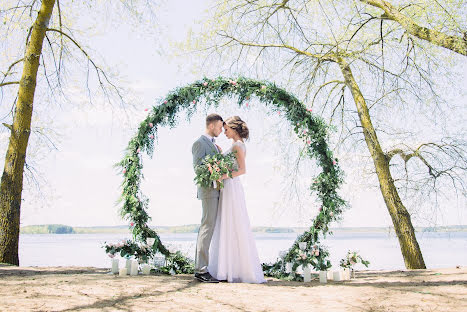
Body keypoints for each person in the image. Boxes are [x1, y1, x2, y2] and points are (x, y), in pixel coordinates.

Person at [208, 116, 266, 283]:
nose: (224, 132)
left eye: (226, 129)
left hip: (232, 186)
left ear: (233, 128)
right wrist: (220, 154)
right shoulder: (235, 146)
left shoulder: (238, 146)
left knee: (234, 223)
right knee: (227, 223)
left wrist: (222, 175)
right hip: (229, 186)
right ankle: (227, 268)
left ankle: (233, 269)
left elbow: (242, 170)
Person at [191, 113, 224, 283]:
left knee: (210, 228)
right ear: (211, 126)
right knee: (206, 227)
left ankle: (206, 267)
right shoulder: (199, 143)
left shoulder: (214, 145)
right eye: (219, 127)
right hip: (208, 191)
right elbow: (198, 169)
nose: (221, 130)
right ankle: (201, 270)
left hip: (216, 190)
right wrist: (215, 172)